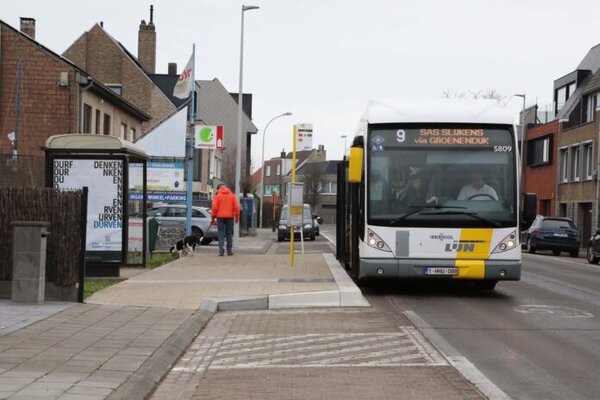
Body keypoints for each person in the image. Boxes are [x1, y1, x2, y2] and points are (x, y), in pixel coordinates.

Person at [211, 183, 240, 256]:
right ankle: (229, 250)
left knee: (220, 233)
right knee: (229, 233)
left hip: (220, 217)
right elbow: (236, 207)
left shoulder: (217, 196)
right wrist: (236, 217)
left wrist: (213, 218)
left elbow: (214, 208)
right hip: (230, 217)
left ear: (219, 189)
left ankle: (221, 250)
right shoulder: (232, 196)